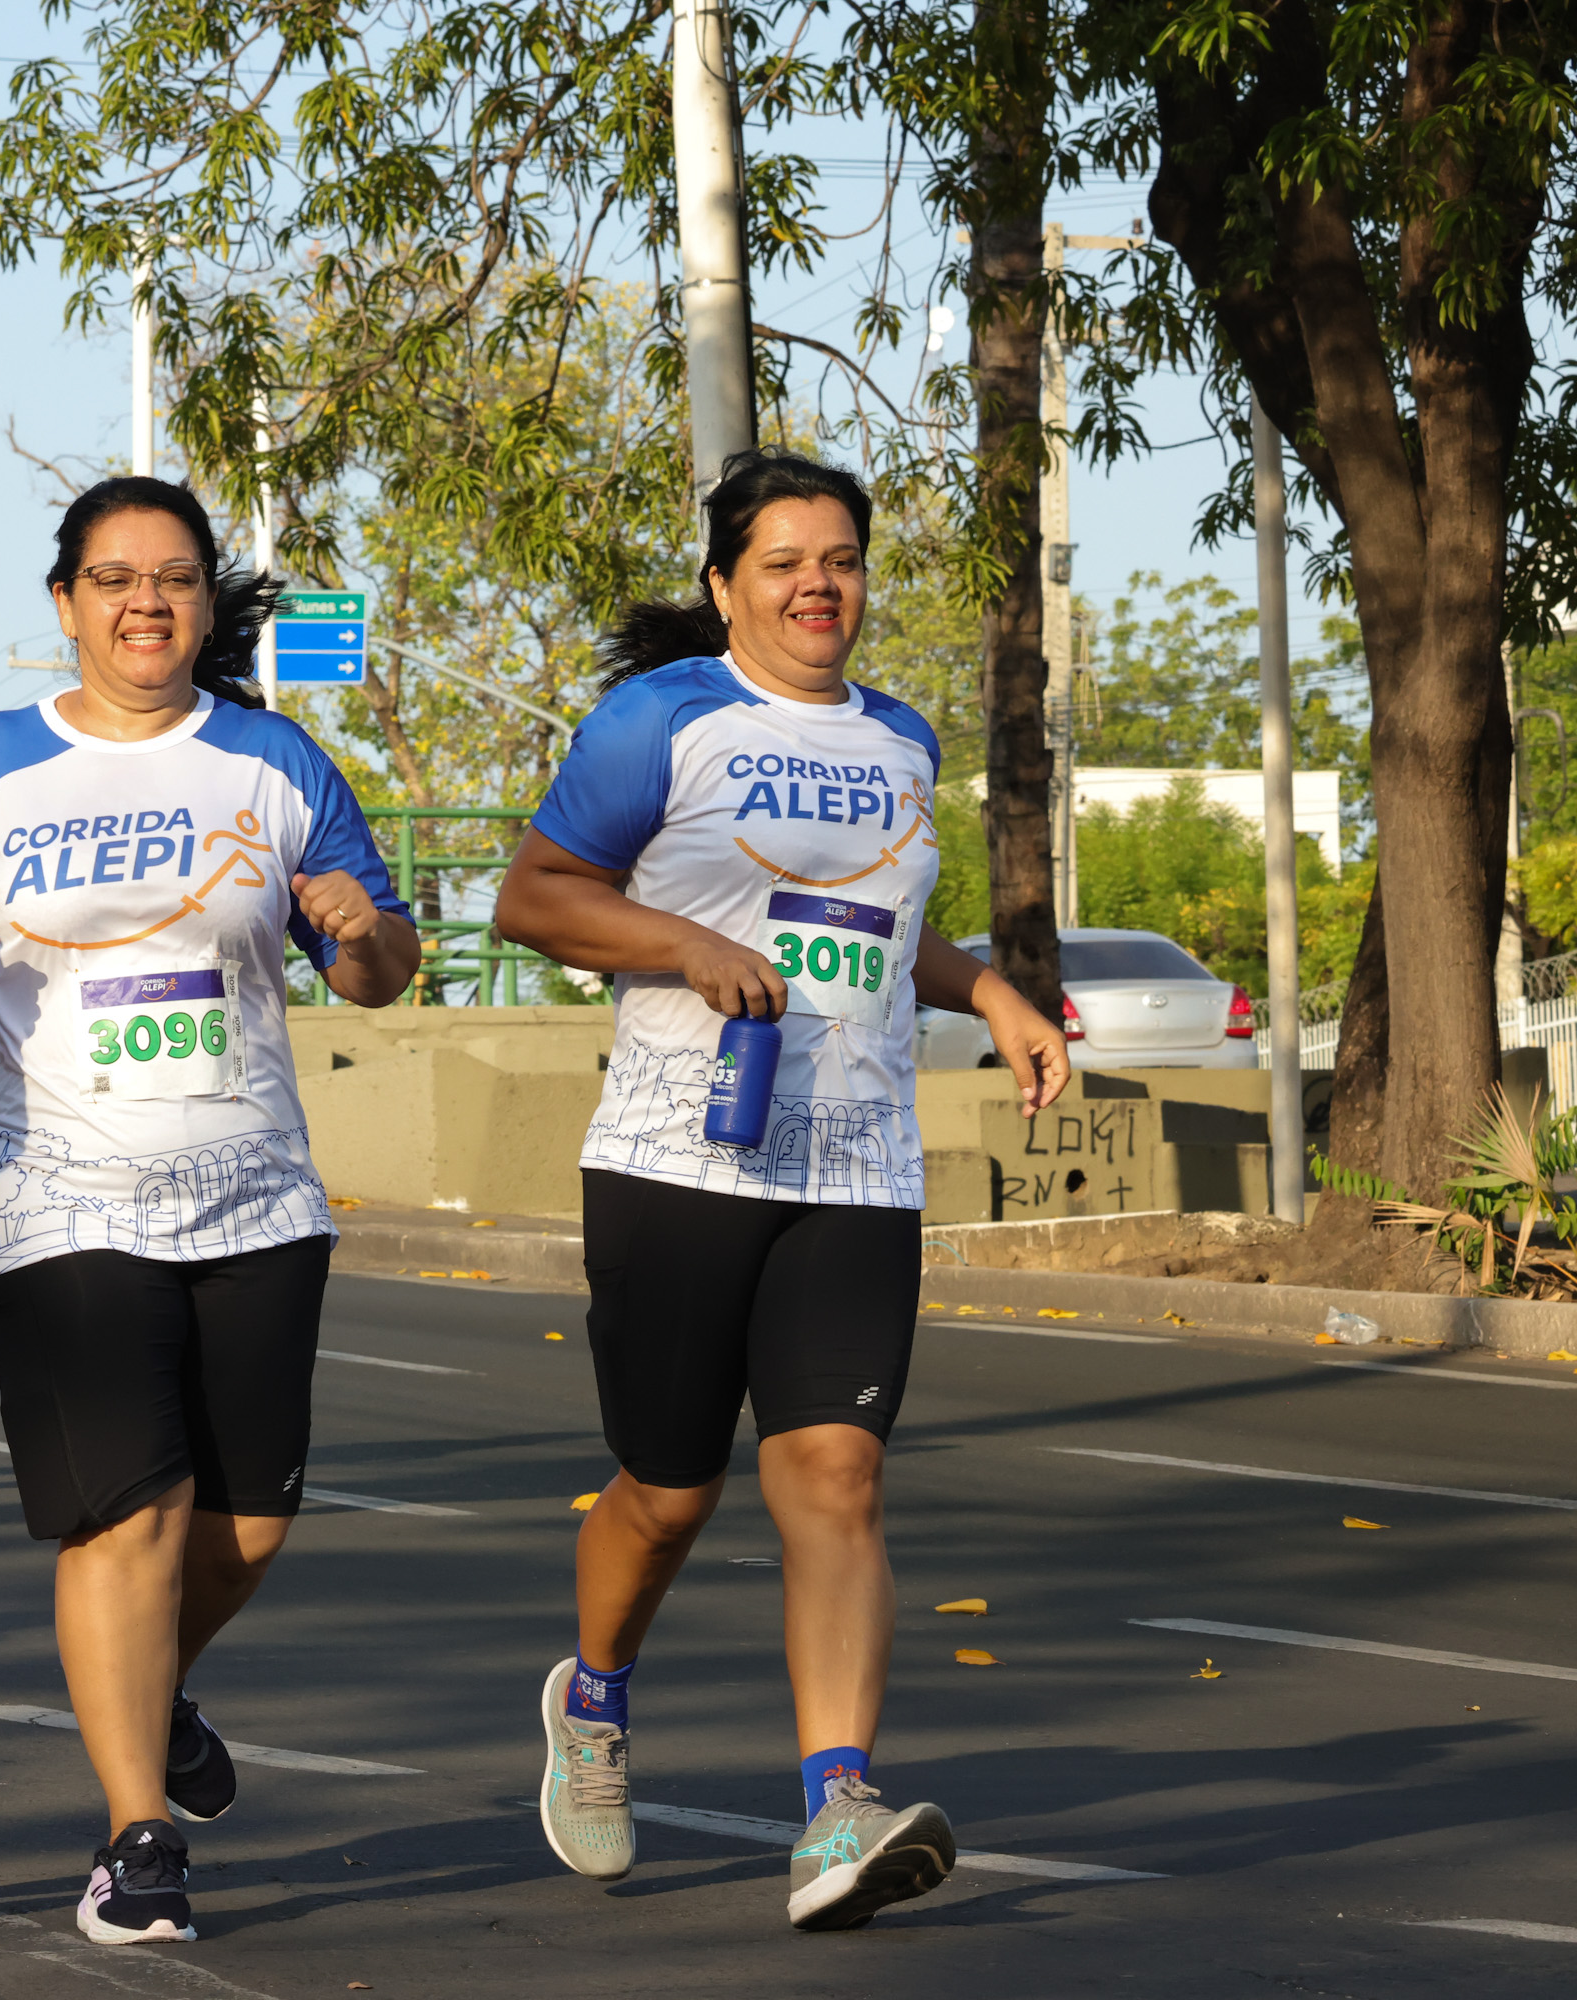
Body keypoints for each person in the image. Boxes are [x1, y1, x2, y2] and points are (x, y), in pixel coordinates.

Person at [0, 476, 419, 1950]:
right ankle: (136, 1837)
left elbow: (383, 955)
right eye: (113, 578)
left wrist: (361, 935)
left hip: (253, 1183)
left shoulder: (274, 763)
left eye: (174, 578)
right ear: (65, 603)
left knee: (253, 1522)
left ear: (207, 602)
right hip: (52, 1183)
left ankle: (150, 1690)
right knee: (129, 1510)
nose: (145, 602)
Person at [491, 449, 1071, 1932]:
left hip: (856, 1160)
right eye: (785, 561)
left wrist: (991, 993)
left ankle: (836, 1808)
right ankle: (596, 1702)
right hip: (680, 1152)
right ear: (726, 586)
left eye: (842, 560)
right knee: (669, 1493)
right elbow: (534, 894)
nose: (819, 583)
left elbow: (881, 923)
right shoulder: (664, 719)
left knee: (837, 1478)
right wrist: (682, 946)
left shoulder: (903, 740)